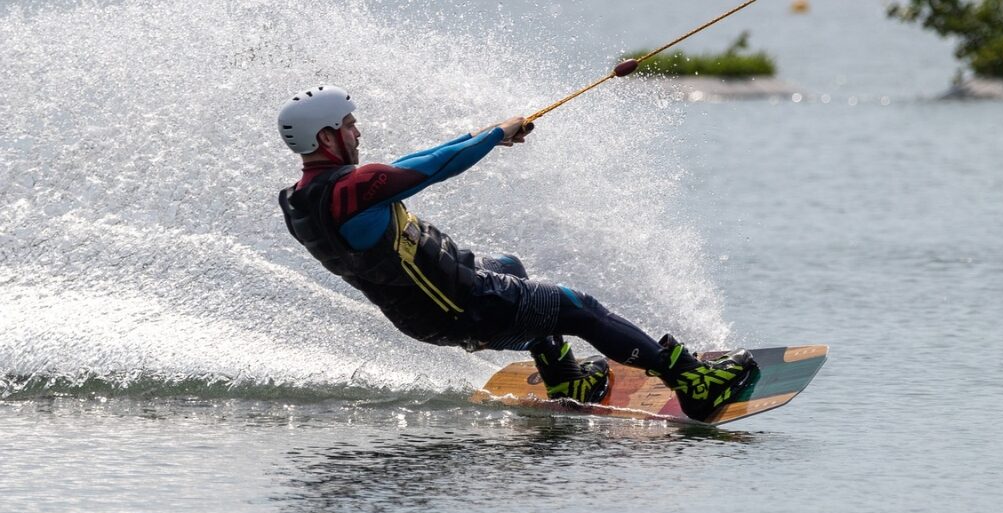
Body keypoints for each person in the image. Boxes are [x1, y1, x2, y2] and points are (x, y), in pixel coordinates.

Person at [277, 85, 756, 421]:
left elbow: (407, 165)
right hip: (466, 305)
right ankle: (694, 383)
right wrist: (493, 136)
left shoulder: (300, 200)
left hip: (426, 313)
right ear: (327, 137)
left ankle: (567, 380)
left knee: (509, 267)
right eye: (350, 125)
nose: (358, 134)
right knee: (577, 307)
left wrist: (488, 133)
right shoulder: (356, 189)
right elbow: (431, 169)